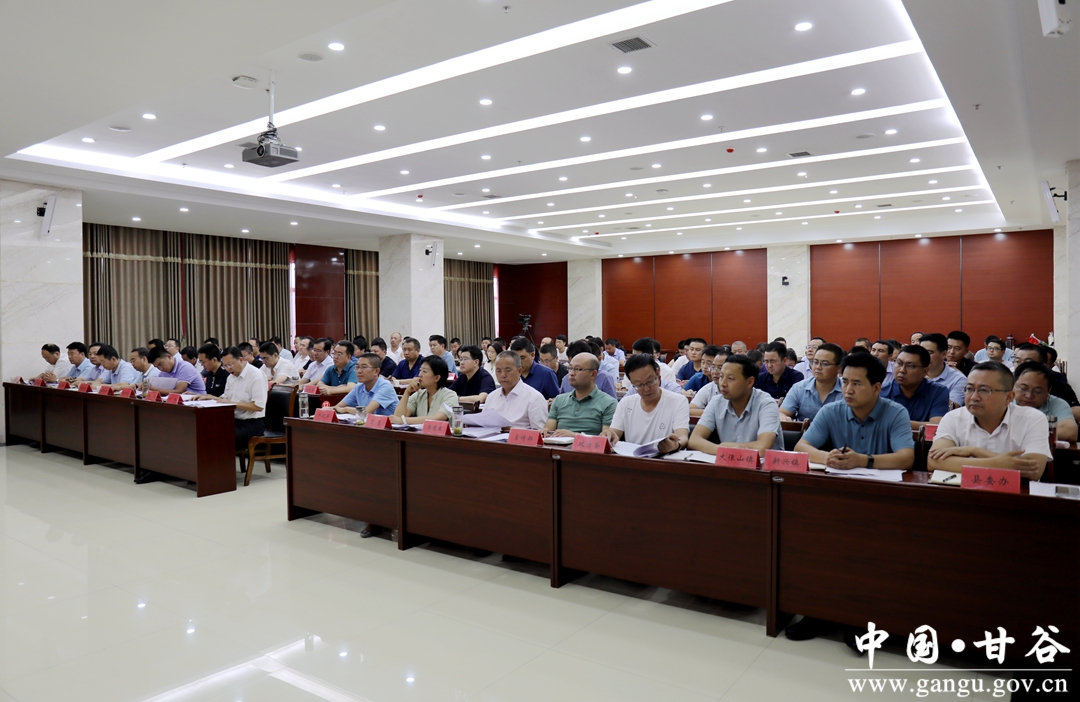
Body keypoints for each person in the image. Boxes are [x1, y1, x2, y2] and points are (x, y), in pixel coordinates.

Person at [928, 361, 1051, 481]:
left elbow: (1033, 471)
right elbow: (934, 461)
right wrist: (999, 463)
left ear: (1008, 397)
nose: (974, 397)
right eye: (969, 389)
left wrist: (974, 451)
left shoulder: (1032, 419)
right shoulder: (953, 418)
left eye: (984, 390)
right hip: (965, 492)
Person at [794, 353, 915, 471]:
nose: (848, 390)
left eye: (856, 384)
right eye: (845, 382)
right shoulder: (830, 411)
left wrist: (862, 460)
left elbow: (906, 458)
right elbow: (801, 447)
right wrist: (827, 457)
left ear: (876, 388)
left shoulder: (896, 413)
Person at [187, 346, 267, 483]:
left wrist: (232, 403)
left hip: (253, 423)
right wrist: (209, 397)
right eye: (225, 365)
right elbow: (225, 398)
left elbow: (258, 406)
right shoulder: (231, 377)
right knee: (204, 431)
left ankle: (220, 476)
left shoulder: (256, 376)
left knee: (220, 436)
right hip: (234, 419)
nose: (228, 369)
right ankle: (202, 472)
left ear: (241, 360)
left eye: (230, 364)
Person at [688, 354, 783, 457]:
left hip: (764, 466)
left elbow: (762, 448)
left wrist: (725, 447)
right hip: (729, 463)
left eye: (730, 378)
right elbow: (694, 440)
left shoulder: (766, 404)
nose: (723, 384)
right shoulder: (716, 402)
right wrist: (723, 449)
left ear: (749, 382)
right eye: (721, 377)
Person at [601, 354, 689, 453]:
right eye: (639, 385)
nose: (646, 389)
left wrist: (675, 445)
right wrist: (609, 435)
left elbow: (682, 437)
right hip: (632, 458)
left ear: (658, 375)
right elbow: (614, 433)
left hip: (664, 458)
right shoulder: (626, 403)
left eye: (650, 382)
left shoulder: (678, 401)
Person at [544, 353, 618, 437]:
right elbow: (549, 433)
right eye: (570, 368)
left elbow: (606, 440)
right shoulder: (559, 400)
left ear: (593, 374)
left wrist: (575, 436)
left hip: (587, 446)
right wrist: (545, 432)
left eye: (578, 369)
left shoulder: (609, 403)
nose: (571, 373)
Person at [879, 345, 950, 427]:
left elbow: (935, 426)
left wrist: (895, 423)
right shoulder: (881, 391)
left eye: (910, 366)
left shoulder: (938, 391)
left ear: (925, 371)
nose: (902, 370)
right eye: (899, 363)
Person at [1012, 342, 1080, 422]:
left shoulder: (1059, 387)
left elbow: (1076, 411)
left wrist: (1058, 412)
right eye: (1018, 361)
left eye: (1028, 363)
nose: (1021, 366)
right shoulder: (1006, 383)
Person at [482, 351, 548, 430]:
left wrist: (513, 431)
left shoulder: (534, 398)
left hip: (518, 437)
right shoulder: (491, 397)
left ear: (519, 371)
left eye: (508, 370)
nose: (503, 375)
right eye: (498, 371)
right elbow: (483, 426)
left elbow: (540, 433)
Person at [1012, 362, 1077, 442]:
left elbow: (1070, 432)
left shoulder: (1057, 404)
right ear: (1013, 385)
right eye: (1023, 388)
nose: (1029, 395)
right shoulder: (1003, 400)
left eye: (1037, 391)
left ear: (1049, 391)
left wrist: (1024, 435)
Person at [781, 343, 845, 422]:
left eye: (825, 364)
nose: (818, 367)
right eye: (815, 362)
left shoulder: (847, 389)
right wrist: (785, 418)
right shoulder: (799, 388)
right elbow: (782, 412)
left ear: (839, 368)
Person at [392, 356, 457, 425]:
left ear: (437, 378)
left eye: (424, 371)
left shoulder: (450, 396)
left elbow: (437, 418)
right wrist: (407, 392)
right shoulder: (419, 394)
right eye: (420, 370)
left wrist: (403, 420)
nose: (419, 375)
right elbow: (397, 418)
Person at [920, 333, 966, 406]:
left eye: (930, 352)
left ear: (944, 354)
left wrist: (931, 386)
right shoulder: (912, 373)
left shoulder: (959, 379)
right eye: (921, 352)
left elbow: (953, 407)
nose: (924, 357)